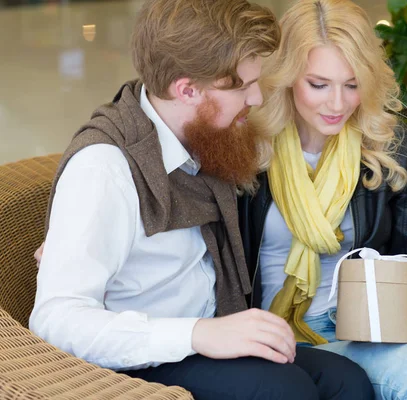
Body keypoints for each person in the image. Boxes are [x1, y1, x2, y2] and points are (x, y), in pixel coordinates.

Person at [28, 0, 375, 399]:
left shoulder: (204, 137)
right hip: (143, 357)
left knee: (348, 382)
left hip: (212, 334)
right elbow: (56, 319)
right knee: (283, 390)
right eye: (244, 86)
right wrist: (196, 334)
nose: (257, 98)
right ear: (188, 89)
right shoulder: (104, 169)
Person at [238, 0, 407, 399]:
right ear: (285, 77)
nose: (337, 104)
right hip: (278, 335)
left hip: (368, 332)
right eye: (318, 84)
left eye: (352, 85)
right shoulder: (245, 149)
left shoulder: (399, 151)